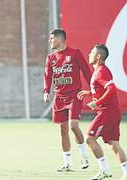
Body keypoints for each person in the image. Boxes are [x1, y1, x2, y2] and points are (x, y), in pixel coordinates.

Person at [77, 44, 127, 180]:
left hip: (107, 112)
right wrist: (89, 93)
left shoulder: (101, 71)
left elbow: (112, 89)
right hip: (112, 112)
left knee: (89, 139)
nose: (89, 54)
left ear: (98, 56)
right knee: (114, 144)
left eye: (92, 52)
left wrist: (97, 102)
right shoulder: (99, 71)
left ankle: (105, 170)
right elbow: (101, 89)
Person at [43, 28, 92, 171]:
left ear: (59, 39)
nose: (50, 41)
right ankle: (67, 163)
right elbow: (47, 76)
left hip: (74, 95)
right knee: (63, 129)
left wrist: (93, 90)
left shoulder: (75, 53)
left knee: (73, 126)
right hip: (59, 97)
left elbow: (86, 72)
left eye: (52, 38)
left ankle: (83, 155)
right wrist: (46, 91)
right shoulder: (50, 57)